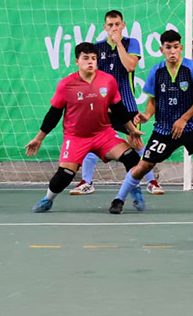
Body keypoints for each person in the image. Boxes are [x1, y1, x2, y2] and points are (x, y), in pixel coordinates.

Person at [109, 30, 193, 214]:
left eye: (176, 47)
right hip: (164, 130)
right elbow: (152, 100)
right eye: (168, 47)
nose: (172, 51)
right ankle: (118, 199)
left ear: (181, 47)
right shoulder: (157, 71)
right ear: (162, 49)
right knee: (143, 166)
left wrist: (183, 119)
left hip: (191, 127)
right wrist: (146, 115)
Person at [25, 42, 144, 212]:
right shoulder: (66, 85)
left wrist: (132, 130)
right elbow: (53, 114)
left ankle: (134, 189)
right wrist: (38, 139)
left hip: (103, 134)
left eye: (94, 59)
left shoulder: (108, 81)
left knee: (131, 157)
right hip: (75, 137)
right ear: (77, 61)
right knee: (64, 176)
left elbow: (119, 109)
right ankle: (48, 199)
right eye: (86, 58)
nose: (90, 62)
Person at [70, 10, 163, 200]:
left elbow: (130, 66)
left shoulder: (131, 43)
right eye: (110, 25)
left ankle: (151, 181)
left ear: (123, 25)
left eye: (117, 24)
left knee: (136, 143)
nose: (114, 28)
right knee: (91, 143)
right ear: (104, 27)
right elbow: (92, 77)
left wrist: (118, 42)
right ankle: (87, 182)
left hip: (126, 104)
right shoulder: (96, 49)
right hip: (102, 106)